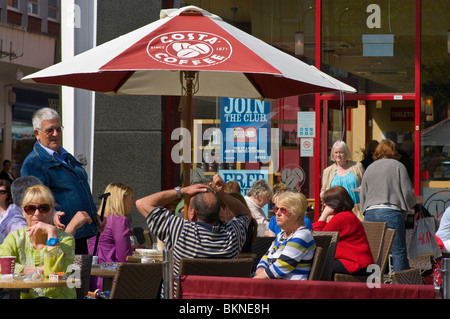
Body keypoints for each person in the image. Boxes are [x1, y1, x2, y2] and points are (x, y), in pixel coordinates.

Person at [136, 173, 251, 288]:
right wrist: (223, 195)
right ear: (218, 213)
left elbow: (142, 203)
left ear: (192, 213)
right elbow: (245, 213)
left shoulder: (180, 230)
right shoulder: (232, 236)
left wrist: (180, 191)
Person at [20, 107, 102, 254]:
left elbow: (78, 190)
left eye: (58, 129)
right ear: (37, 133)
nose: (56, 134)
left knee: (80, 275)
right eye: (50, 130)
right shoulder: (33, 163)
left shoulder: (66, 156)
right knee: (67, 275)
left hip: (80, 233)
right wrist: (53, 214)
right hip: (59, 236)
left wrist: (93, 214)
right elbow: (33, 200)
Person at [0, 185, 76, 299]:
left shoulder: (66, 240)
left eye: (43, 208)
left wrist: (52, 232)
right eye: (30, 208)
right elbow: (2, 266)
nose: (37, 213)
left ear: (51, 211)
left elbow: (55, 277)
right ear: (23, 212)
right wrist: (39, 270)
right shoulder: (15, 238)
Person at [360, 139, 416, 271]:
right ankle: (398, 287)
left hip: (371, 212)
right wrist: (411, 204)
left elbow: (363, 193)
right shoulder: (398, 166)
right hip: (391, 212)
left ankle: (374, 285)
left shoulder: (370, 168)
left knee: (373, 253)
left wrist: (364, 211)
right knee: (398, 252)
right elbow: (408, 192)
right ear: (393, 151)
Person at [253, 190, 316, 280]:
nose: (277, 213)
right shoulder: (282, 235)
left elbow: (280, 267)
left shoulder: (302, 236)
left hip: (290, 290)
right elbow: (265, 259)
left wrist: (255, 281)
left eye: (283, 210)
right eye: (276, 209)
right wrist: (260, 273)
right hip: (273, 286)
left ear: (296, 214)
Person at [313, 186, 374, 276]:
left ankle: (323, 289)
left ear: (334, 204)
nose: (324, 205)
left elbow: (319, 236)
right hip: (358, 262)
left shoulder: (342, 217)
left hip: (355, 263)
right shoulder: (347, 215)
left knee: (318, 267)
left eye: (326, 203)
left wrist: (324, 215)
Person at [88, 182, 136, 290]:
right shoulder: (119, 220)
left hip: (91, 270)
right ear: (121, 199)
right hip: (108, 276)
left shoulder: (98, 218)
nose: (133, 203)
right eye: (131, 198)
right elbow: (124, 258)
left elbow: (104, 244)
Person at [321, 140, 365, 221]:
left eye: (341, 152)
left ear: (346, 153)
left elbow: (366, 185)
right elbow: (323, 191)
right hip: (335, 212)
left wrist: (362, 188)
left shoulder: (357, 167)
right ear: (332, 154)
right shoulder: (327, 171)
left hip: (356, 211)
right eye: (336, 152)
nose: (338, 155)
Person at [0, 176, 40, 244]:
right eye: (40, 192)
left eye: (2, 192)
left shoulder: (11, 213)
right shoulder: (18, 224)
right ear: (29, 195)